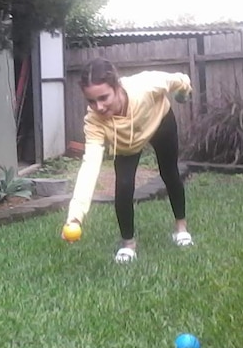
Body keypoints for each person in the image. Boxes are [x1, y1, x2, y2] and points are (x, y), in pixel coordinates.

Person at [62, 57, 194, 263]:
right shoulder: (94, 121)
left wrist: (184, 93)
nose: (99, 107)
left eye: (104, 97)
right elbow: (90, 166)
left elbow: (179, 80)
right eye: (91, 101)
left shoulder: (146, 85)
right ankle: (128, 244)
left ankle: (181, 228)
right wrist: (75, 215)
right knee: (123, 186)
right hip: (127, 142)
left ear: (116, 86)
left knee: (169, 172)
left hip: (159, 122)